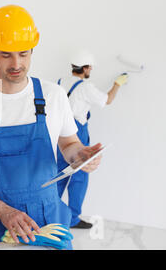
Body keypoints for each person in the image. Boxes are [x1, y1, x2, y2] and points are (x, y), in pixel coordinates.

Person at [0, 5, 103, 248]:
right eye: (6, 55)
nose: (16, 63)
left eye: (23, 54)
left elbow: (69, 144)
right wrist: (2, 210)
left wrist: (81, 156)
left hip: (48, 219)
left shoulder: (54, 95)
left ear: (32, 50)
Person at [56, 50, 128, 229]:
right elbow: (108, 100)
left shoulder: (59, 83)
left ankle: (52, 214)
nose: (91, 70)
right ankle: (72, 218)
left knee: (59, 174)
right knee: (80, 175)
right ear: (86, 68)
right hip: (77, 133)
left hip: (59, 133)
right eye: (90, 68)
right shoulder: (85, 87)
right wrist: (117, 84)